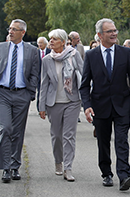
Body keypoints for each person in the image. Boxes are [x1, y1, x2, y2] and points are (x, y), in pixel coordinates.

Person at [0, 19, 40, 183]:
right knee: (5, 129)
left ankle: (15, 166)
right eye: (10, 29)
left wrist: (30, 94)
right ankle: (5, 168)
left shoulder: (32, 51)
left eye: (14, 29)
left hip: (21, 95)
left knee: (17, 132)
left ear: (22, 33)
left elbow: (34, 74)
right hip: (2, 94)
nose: (10, 32)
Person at [80, 18, 130, 191]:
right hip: (100, 106)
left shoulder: (124, 53)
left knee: (122, 141)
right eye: (110, 31)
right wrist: (87, 106)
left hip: (123, 105)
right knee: (103, 142)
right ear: (100, 35)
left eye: (115, 30)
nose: (114, 34)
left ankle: (124, 176)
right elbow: (84, 85)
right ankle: (106, 173)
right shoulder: (91, 55)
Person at [38, 29, 84, 182]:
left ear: (63, 42)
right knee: (56, 135)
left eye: (55, 39)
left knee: (68, 135)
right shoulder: (47, 60)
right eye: (50, 39)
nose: (51, 41)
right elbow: (43, 83)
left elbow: (83, 75)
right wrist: (41, 106)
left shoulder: (73, 55)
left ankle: (68, 168)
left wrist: (86, 98)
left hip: (72, 101)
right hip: (53, 102)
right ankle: (59, 161)